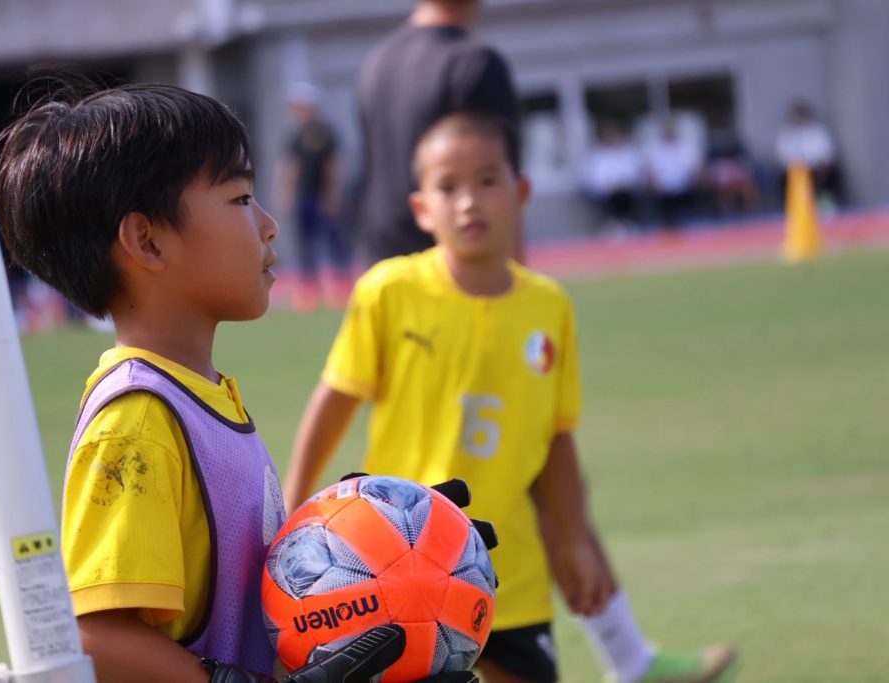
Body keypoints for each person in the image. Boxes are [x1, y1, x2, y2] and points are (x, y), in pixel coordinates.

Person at [0, 77, 429, 683]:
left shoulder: (200, 393)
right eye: (241, 198)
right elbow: (95, 635)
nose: (269, 225)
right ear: (147, 241)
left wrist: (378, 540)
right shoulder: (138, 420)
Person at [284, 111, 738, 683]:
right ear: (422, 208)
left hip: (511, 576)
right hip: (398, 574)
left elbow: (556, 439)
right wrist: (294, 511)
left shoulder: (549, 307)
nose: (469, 201)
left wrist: (574, 539)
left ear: (521, 193)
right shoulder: (389, 291)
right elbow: (333, 404)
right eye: (448, 187)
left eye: (487, 181)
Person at [356, 0, 520, 264]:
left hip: (382, 262)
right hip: (457, 270)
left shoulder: (376, 61)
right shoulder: (474, 62)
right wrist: (513, 280)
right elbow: (503, 191)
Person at [276, 82, 353, 311]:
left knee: (333, 240)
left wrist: (333, 193)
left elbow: (333, 165)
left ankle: (340, 285)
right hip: (304, 196)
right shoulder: (294, 134)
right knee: (305, 242)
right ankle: (308, 288)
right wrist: (285, 192)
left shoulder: (325, 133)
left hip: (322, 196)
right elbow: (290, 166)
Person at [774, 100, 841, 207]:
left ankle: (825, 204)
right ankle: (794, 207)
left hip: (816, 169)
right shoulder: (786, 134)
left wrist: (815, 165)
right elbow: (782, 157)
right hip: (795, 171)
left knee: (829, 174)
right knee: (785, 178)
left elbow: (826, 153)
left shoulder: (818, 131)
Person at [580, 123, 643, 234]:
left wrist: (622, 184)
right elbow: (593, 178)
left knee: (624, 196)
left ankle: (626, 223)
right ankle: (615, 224)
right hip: (605, 192)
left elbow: (634, 173)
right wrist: (609, 185)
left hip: (626, 190)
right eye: (609, 136)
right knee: (614, 197)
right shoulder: (596, 156)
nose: (612, 139)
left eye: (615, 136)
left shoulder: (628, 153)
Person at [642, 117, 703, 231]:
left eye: (671, 129)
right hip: (662, 189)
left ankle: (692, 220)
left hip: (686, 186)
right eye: (667, 129)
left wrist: (697, 179)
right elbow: (648, 171)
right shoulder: (652, 149)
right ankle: (666, 223)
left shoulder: (687, 146)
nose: (669, 132)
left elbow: (696, 168)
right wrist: (653, 183)